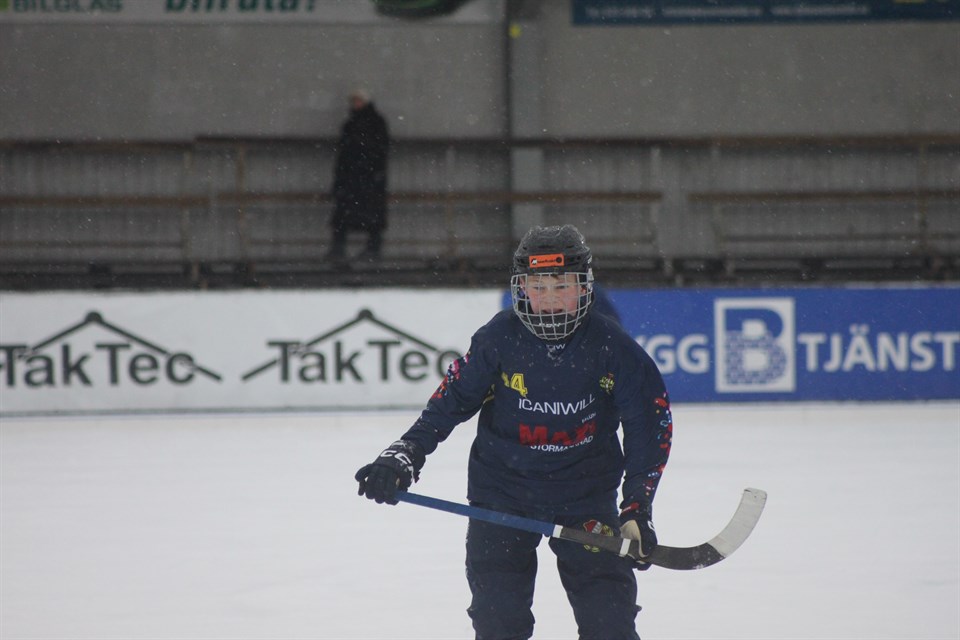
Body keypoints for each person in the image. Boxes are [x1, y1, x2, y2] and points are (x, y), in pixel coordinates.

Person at [355, 224, 673, 640]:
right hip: (501, 498)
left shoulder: (613, 346)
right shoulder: (498, 338)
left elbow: (648, 424)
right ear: (521, 288)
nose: (550, 298)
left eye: (562, 286)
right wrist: (405, 454)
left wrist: (636, 506)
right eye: (537, 287)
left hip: (586, 500)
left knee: (609, 624)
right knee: (499, 624)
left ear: (585, 287)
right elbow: (450, 402)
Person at [326, 88, 389, 263]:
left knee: (354, 214)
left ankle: (364, 249)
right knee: (362, 215)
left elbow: (376, 150)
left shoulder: (365, 124)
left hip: (362, 177)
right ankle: (350, 249)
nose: (356, 104)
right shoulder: (362, 123)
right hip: (360, 177)